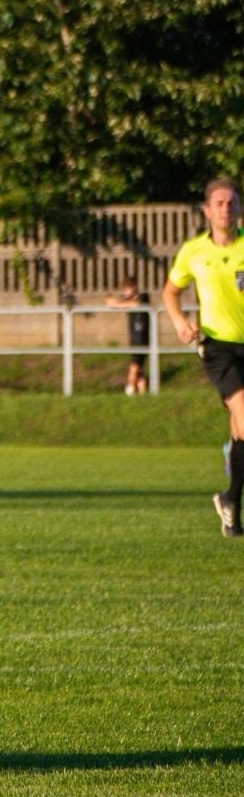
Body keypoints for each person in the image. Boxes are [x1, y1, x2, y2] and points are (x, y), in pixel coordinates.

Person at [162, 176, 244, 539]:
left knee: (241, 432)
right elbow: (170, 291)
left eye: (232, 203)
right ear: (207, 210)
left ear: (240, 208)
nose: (226, 209)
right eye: (220, 203)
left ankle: (231, 502)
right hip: (217, 348)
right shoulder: (194, 251)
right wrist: (180, 321)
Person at [105, 275, 151, 396]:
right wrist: (112, 301)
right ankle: (143, 395)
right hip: (134, 340)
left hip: (143, 339)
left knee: (134, 367)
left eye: (126, 289)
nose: (125, 293)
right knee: (139, 370)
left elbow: (135, 304)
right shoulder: (127, 301)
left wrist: (117, 303)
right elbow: (116, 304)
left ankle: (129, 391)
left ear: (134, 288)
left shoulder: (143, 297)